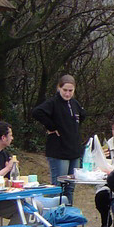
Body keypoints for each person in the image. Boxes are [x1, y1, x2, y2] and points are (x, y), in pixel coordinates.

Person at [31, 74, 87, 204]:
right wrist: (51, 126)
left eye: (70, 91)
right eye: (65, 90)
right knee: (58, 187)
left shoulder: (75, 104)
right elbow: (37, 112)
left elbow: (82, 115)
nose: (67, 94)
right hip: (58, 152)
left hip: (74, 151)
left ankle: (69, 217)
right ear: (59, 88)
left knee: (70, 188)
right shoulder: (53, 103)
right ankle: (54, 217)